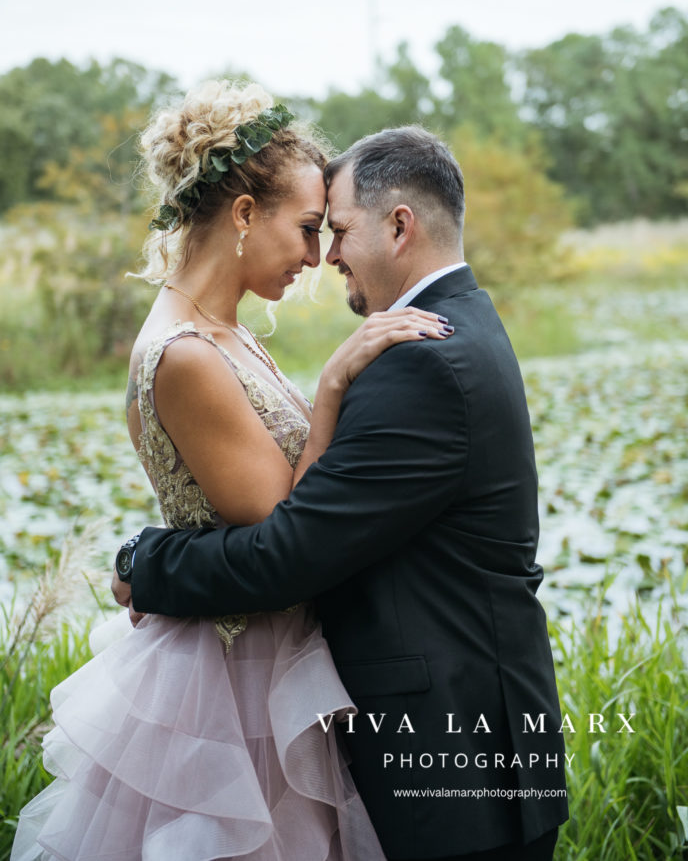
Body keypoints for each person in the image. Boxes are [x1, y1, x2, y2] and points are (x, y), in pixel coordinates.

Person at [12, 82, 451, 861]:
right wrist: (335, 386)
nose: (319, 257)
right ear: (244, 214)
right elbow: (282, 527)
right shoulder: (185, 354)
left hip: (267, 655)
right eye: (308, 229)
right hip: (226, 685)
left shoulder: (224, 332)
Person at [113, 125, 569, 861]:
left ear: (399, 226)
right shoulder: (460, 326)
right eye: (312, 230)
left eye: (337, 230)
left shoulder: (421, 361)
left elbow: (286, 555)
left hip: (454, 767)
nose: (324, 256)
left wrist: (145, 560)